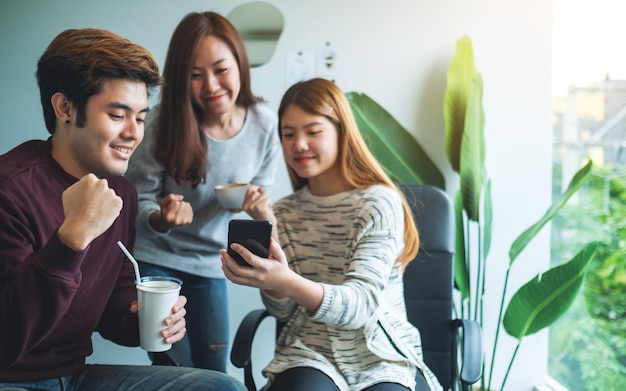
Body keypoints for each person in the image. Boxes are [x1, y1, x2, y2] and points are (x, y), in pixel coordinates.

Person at [0, 28, 246, 391]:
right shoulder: (11, 190)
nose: (134, 133)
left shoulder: (122, 193)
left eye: (141, 117)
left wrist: (139, 319)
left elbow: (113, 301)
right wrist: (72, 238)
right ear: (65, 108)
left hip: (78, 376)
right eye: (118, 115)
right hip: (12, 378)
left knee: (221, 387)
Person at [221, 78, 443, 391]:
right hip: (310, 353)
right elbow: (283, 310)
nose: (299, 144)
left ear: (342, 132)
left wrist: (285, 280)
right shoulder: (283, 212)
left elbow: (361, 306)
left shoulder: (378, 204)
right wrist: (270, 240)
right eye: (288, 134)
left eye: (313, 131)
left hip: (381, 356)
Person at [124, 11, 281, 371]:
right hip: (157, 260)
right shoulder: (162, 122)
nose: (211, 85)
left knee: (213, 372)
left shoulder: (264, 125)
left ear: (240, 63)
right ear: (181, 79)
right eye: (195, 75)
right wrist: (161, 218)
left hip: (212, 265)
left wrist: (259, 212)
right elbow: (136, 197)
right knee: (174, 371)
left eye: (221, 69)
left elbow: (259, 193)